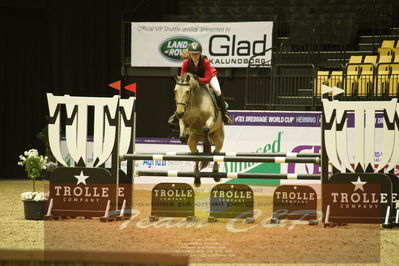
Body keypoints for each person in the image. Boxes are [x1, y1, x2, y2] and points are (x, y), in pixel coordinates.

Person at [168, 41, 232, 125]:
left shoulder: (206, 62)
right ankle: (176, 114)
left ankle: (225, 113)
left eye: (197, 54)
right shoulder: (186, 63)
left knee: (217, 90)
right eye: (193, 54)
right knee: (182, 91)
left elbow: (207, 79)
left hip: (208, 76)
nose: (195, 56)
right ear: (190, 54)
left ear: (200, 54)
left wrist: (196, 79)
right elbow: (183, 77)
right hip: (194, 79)